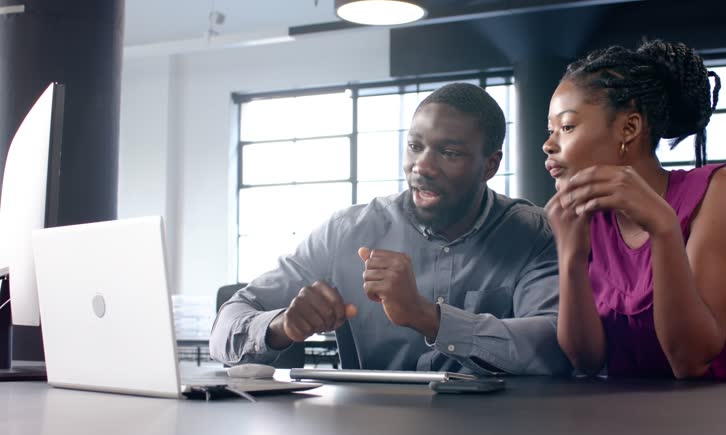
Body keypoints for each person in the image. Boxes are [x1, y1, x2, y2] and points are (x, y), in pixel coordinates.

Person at [211, 82, 570, 375]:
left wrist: (427, 317)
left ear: (490, 165)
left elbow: (556, 345)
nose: (422, 166)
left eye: (450, 153)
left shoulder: (533, 232)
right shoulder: (347, 232)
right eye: (415, 146)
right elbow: (227, 324)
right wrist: (281, 327)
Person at [542, 40, 726, 379]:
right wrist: (571, 257)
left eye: (566, 127)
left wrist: (664, 228)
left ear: (629, 128)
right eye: (550, 131)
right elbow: (587, 360)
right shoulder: (590, 217)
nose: (549, 144)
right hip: (633, 421)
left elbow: (691, 360)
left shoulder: (723, 188)